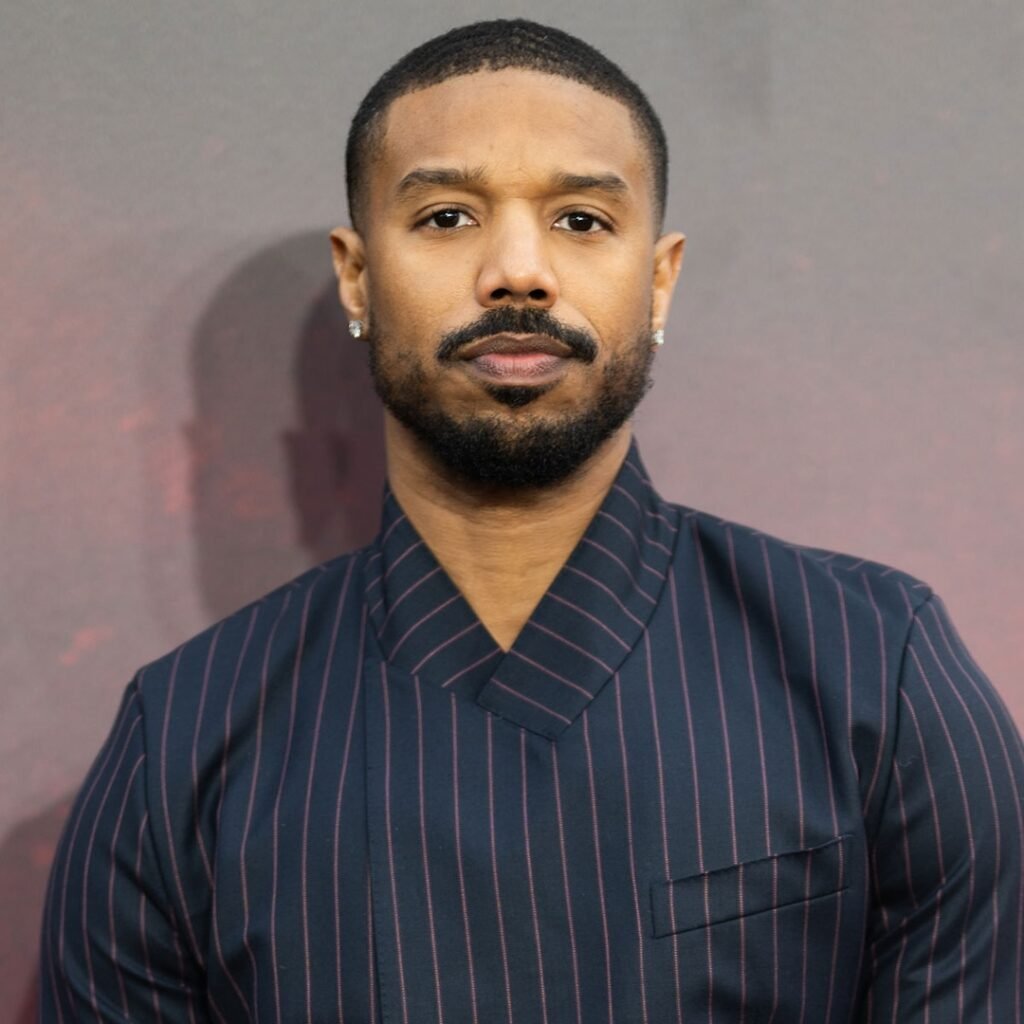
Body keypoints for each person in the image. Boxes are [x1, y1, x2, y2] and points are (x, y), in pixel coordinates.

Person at [40, 18, 1022, 1023]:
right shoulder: (184, 740)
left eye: (582, 220)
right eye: (447, 217)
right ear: (357, 275)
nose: (518, 271)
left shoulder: (874, 672)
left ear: (659, 279)